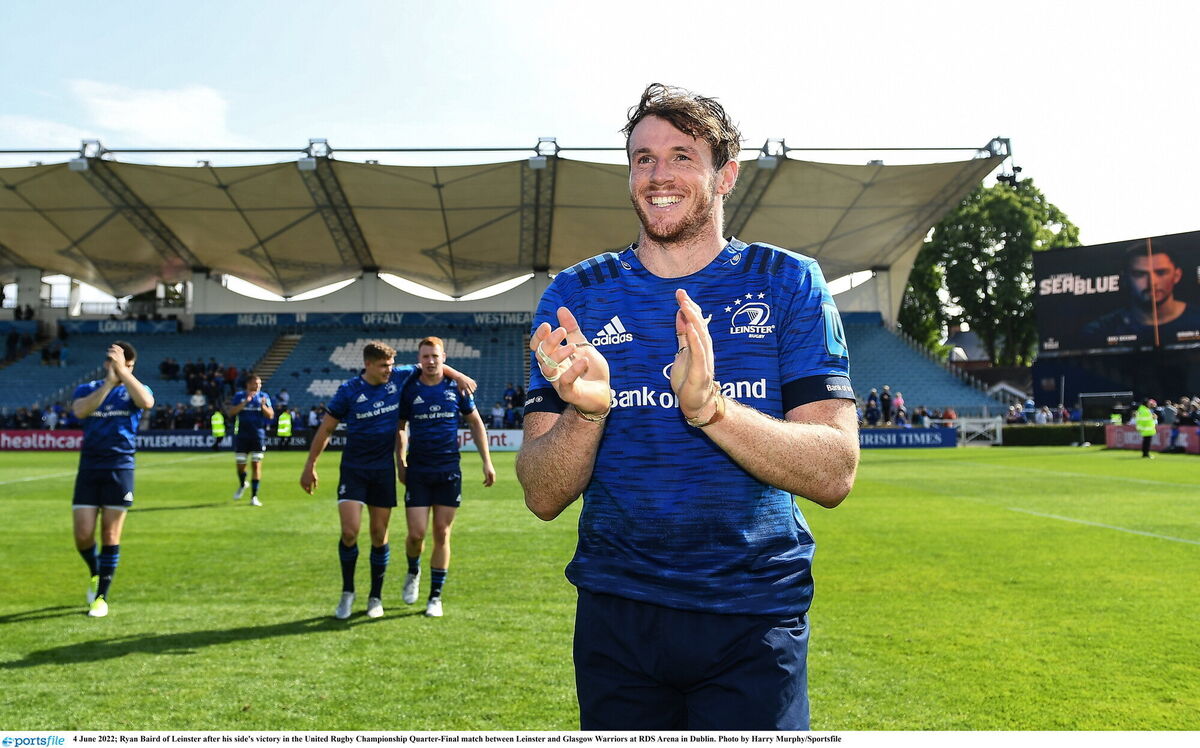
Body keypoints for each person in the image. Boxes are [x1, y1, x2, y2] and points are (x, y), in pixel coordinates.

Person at [515, 83, 859, 730]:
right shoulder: (575, 295)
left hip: (753, 619)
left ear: (725, 175)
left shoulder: (788, 283)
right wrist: (587, 414)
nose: (658, 174)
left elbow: (835, 470)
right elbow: (541, 493)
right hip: (617, 619)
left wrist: (713, 411)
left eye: (680, 155)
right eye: (643, 158)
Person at [300, 341, 476, 620]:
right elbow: (327, 428)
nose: (389, 371)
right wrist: (310, 464)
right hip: (354, 469)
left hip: (382, 471)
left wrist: (459, 376)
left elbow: (433, 364)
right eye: (383, 366)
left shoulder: (398, 377)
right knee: (350, 531)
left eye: (391, 366)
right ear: (367, 365)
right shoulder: (349, 391)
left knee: (379, 535)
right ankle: (347, 592)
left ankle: (375, 596)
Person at [396, 337, 496, 618]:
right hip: (418, 469)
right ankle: (413, 570)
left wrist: (486, 461)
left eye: (435, 356)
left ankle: (435, 597)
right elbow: (400, 426)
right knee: (416, 534)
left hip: (449, 469)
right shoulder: (409, 386)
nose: (430, 361)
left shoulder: (457, 388)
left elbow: (475, 422)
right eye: (425, 356)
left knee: (442, 532)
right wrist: (400, 461)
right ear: (420, 358)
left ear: (444, 357)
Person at [70, 341, 155, 617]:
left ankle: (101, 598)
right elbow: (79, 411)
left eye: (126, 365)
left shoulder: (135, 390)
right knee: (83, 535)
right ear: (106, 363)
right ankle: (96, 573)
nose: (119, 368)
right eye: (115, 363)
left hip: (120, 467)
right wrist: (108, 383)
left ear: (131, 366)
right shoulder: (88, 389)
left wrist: (124, 374)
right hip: (90, 467)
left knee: (109, 533)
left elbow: (147, 402)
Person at [1083, 246, 1200, 343]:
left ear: (1177, 275)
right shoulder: (1100, 330)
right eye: (1139, 274)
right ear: (1125, 279)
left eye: (1161, 272)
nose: (1152, 282)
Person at [229, 374, 274, 507]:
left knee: (256, 464)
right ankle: (243, 484)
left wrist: (263, 406)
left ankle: (254, 496)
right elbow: (231, 413)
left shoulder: (264, 397)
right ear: (248, 384)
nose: (258, 386)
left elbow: (271, 415)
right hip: (242, 435)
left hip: (257, 436)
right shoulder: (239, 396)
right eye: (256, 383)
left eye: (260, 384)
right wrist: (245, 402)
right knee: (241, 466)